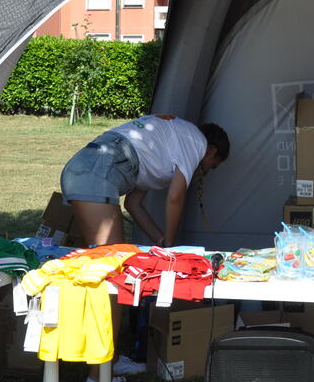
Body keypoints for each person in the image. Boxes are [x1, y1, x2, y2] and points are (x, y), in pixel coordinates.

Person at [60, 114, 229, 380]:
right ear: (211, 151)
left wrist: (160, 241)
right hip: (95, 173)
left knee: (108, 277)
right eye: (213, 166)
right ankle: (98, 375)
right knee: (113, 278)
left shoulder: (164, 146)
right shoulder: (195, 141)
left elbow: (133, 204)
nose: (206, 172)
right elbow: (176, 197)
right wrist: (170, 247)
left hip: (90, 169)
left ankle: (109, 362)